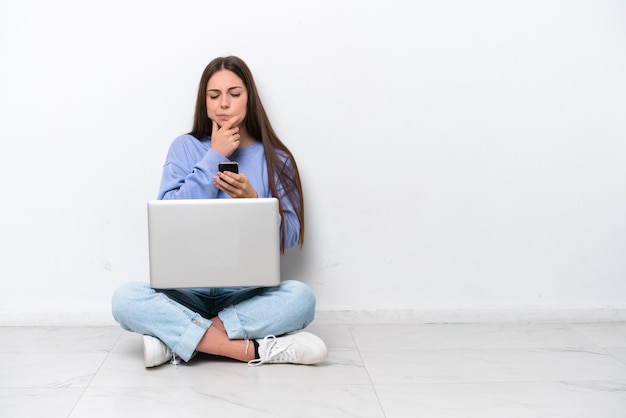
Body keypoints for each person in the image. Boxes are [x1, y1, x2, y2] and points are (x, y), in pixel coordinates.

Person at [111, 56, 327, 368]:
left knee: (301, 299)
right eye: (214, 96)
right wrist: (214, 155)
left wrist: (253, 200)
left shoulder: (276, 158)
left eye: (234, 94)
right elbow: (167, 218)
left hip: (245, 294)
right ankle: (250, 351)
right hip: (185, 292)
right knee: (125, 299)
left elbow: (289, 237)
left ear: (250, 98)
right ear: (205, 101)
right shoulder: (184, 148)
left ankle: (179, 340)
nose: (223, 104)